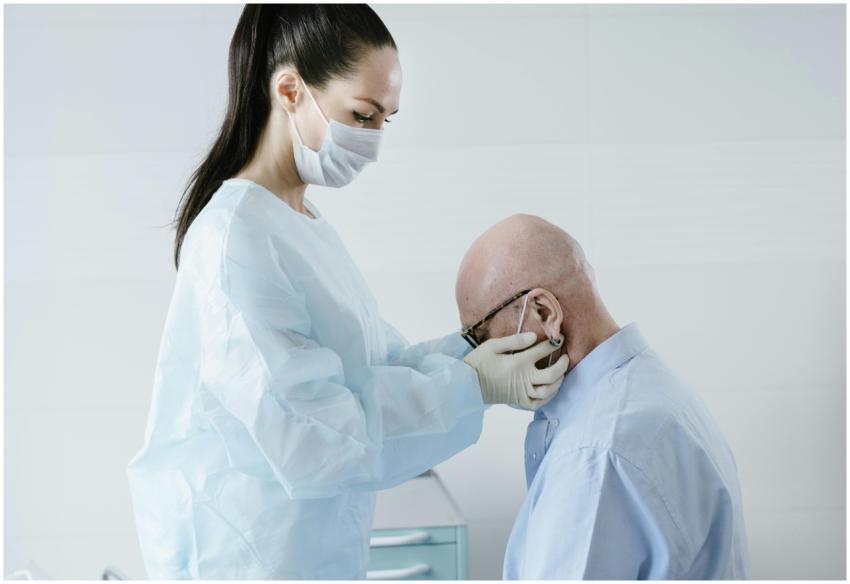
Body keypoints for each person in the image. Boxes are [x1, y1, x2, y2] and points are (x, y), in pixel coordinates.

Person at [125, 5, 569, 580]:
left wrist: (472, 348)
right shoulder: (236, 239)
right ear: (290, 89)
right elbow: (311, 435)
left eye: (387, 120)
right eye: (363, 115)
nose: (375, 141)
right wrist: (474, 385)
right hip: (248, 561)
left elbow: (369, 370)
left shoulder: (301, 225)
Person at [455, 214, 752, 579]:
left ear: (544, 312)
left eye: (479, 336)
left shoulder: (594, 454)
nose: (480, 355)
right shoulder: (655, 389)